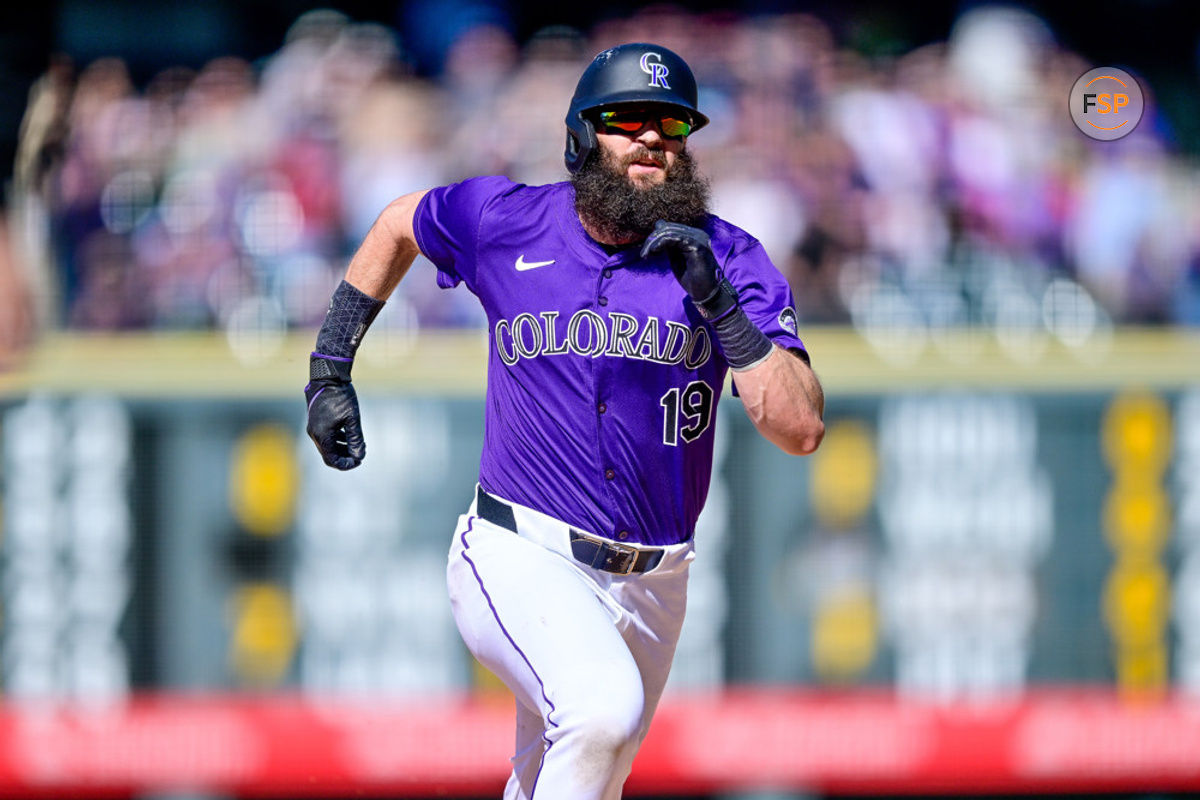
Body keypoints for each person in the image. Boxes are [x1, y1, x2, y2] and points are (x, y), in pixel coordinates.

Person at [304, 42, 825, 799]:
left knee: (579, 769)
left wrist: (723, 310)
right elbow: (397, 224)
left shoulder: (729, 259)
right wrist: (329, 367)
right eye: (627, 120)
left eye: (672, 125)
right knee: (600, 713)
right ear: (582, 135)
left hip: (656, 581)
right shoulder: (505, 219)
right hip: (520, 551)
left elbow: (800, 428)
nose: (652, 137)